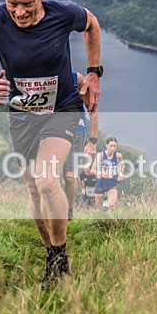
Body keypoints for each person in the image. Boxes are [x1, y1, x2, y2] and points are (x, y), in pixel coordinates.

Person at [0, 0, 102, 289]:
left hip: (62, 108)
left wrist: (94, 72)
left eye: (27, 4)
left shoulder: (62, 13)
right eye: (12, 4)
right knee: (34, 188)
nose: (19, 13)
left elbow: (91, 24)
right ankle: (51, 253)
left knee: (47, 180)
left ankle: (61, 258)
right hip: (23, 114)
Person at [62, 72, 99, 220]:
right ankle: (53, 210)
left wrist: (93, 141)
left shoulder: (76, 80)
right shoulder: (44, 78)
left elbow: (93, 111)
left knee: (69, 176)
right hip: (52, 132)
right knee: (50, 176)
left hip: (76, 133)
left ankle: (69, 211)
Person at [89, 137, 123, 210]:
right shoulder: (100, 156)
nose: (113, 148)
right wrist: (101, 173)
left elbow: (122, 164)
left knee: (111, 205)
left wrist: (120, 174)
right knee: (99, 209)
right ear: (106, 145)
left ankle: (110, 218)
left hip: (112, 183)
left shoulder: (118, 156)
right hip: (100, 183)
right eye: (111, 146)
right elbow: (92, 170)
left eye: (115, 146)